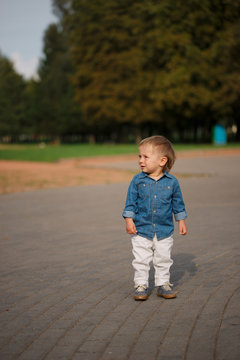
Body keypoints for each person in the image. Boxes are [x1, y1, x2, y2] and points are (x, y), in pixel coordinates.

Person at [122, 135, 187, 300]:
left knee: (163, 259)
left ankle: (163, 285)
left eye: (145, 157)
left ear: (162, 161)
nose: (140, 160)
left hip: (164, 230)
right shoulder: (137, 181)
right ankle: (141, 285)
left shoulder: (172, 182)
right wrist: (129, 220)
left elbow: (178, 204)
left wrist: (181, 221)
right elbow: (130, 203)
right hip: (141, 229)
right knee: (141, 259)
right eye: (139, 156)